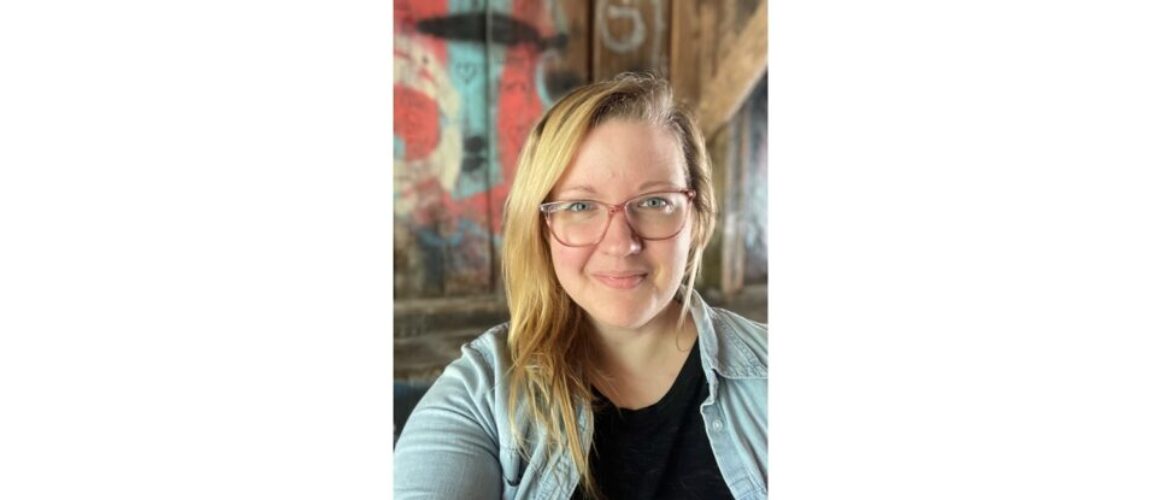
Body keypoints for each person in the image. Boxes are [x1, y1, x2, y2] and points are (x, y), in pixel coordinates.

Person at [393, 74, 767, 500]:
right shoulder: (480, 395)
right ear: (542, 227)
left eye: (654, 202)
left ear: (696, 217)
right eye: (581, 206)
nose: (621, 243)